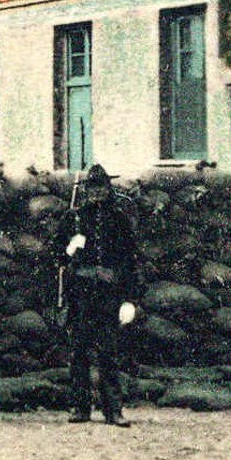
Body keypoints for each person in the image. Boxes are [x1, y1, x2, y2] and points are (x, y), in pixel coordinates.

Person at [57, 164, 141, 427]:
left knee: (108, 352)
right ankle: (81, 408)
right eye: (92, 188)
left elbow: (130, 260)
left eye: (101, 187)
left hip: (109, 295)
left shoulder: (119, 220)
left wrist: (129, 297)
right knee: (79, 351)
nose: (97, 193)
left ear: (109, 189)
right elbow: (57, 256)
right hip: (81, 295)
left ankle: (113, 410)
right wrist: (72, 247)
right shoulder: (74, 219)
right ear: (85, 191)